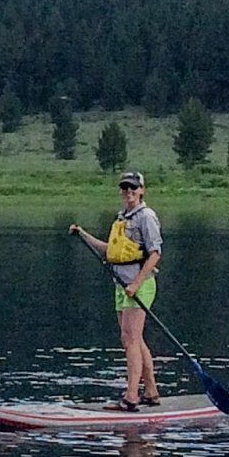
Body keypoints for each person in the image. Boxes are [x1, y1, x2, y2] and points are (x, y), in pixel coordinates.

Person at [72, 169, 162, 409]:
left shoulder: (146, 216)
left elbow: (155, 254)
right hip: (122, 286)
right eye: (125, 188)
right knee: (131, 338)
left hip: (139, 286)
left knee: (131, 339)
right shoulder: (122, 218)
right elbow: (109, 251)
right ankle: (151, 392)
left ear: (142, 190)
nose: (129, 192)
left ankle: (131, 397)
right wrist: (83, 235)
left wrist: (136, 283)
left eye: (133, 188)